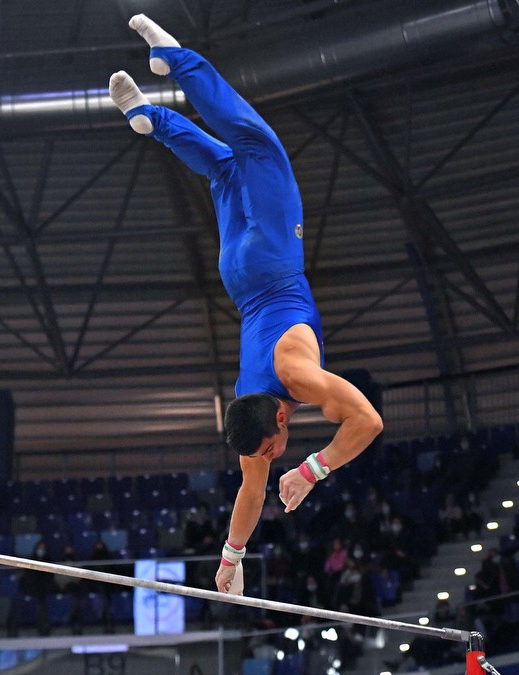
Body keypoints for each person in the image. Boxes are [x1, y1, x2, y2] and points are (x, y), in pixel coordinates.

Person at [107, 15, 383, 593]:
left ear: (280, 418)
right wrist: (230, 560)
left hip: (271, 263)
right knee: (225, 171)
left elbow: (368, 420)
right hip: (236, 276)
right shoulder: (248, 413)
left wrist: (312, 469)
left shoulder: (293, 377)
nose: (274, 456)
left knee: (256, 144)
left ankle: (175, 60)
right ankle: (149, 118)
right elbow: (251, 492)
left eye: (274, 451)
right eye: (273, 454)